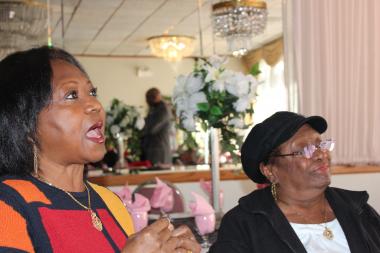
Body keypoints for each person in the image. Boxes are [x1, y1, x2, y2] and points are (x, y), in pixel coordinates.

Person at [0, 46, 200, 253]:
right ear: (25, 123)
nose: (95, 105)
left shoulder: (109, 201)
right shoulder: (9, 203)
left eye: (92, 92)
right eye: (71, 95)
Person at [210, 111, 380, 252]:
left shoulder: (358, 208)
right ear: (270, 170)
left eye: (321, 145)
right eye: (304, 150)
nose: (321, 154)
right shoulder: (244, 224)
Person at [142, 87, 172, 168]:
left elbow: (153, 128)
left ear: (156, 97)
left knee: (159, 176)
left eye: (148, 98)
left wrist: (142, 128)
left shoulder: (163, 109)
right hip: (153, 149)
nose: (147, 101)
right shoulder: (155, 109)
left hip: (160, 151)